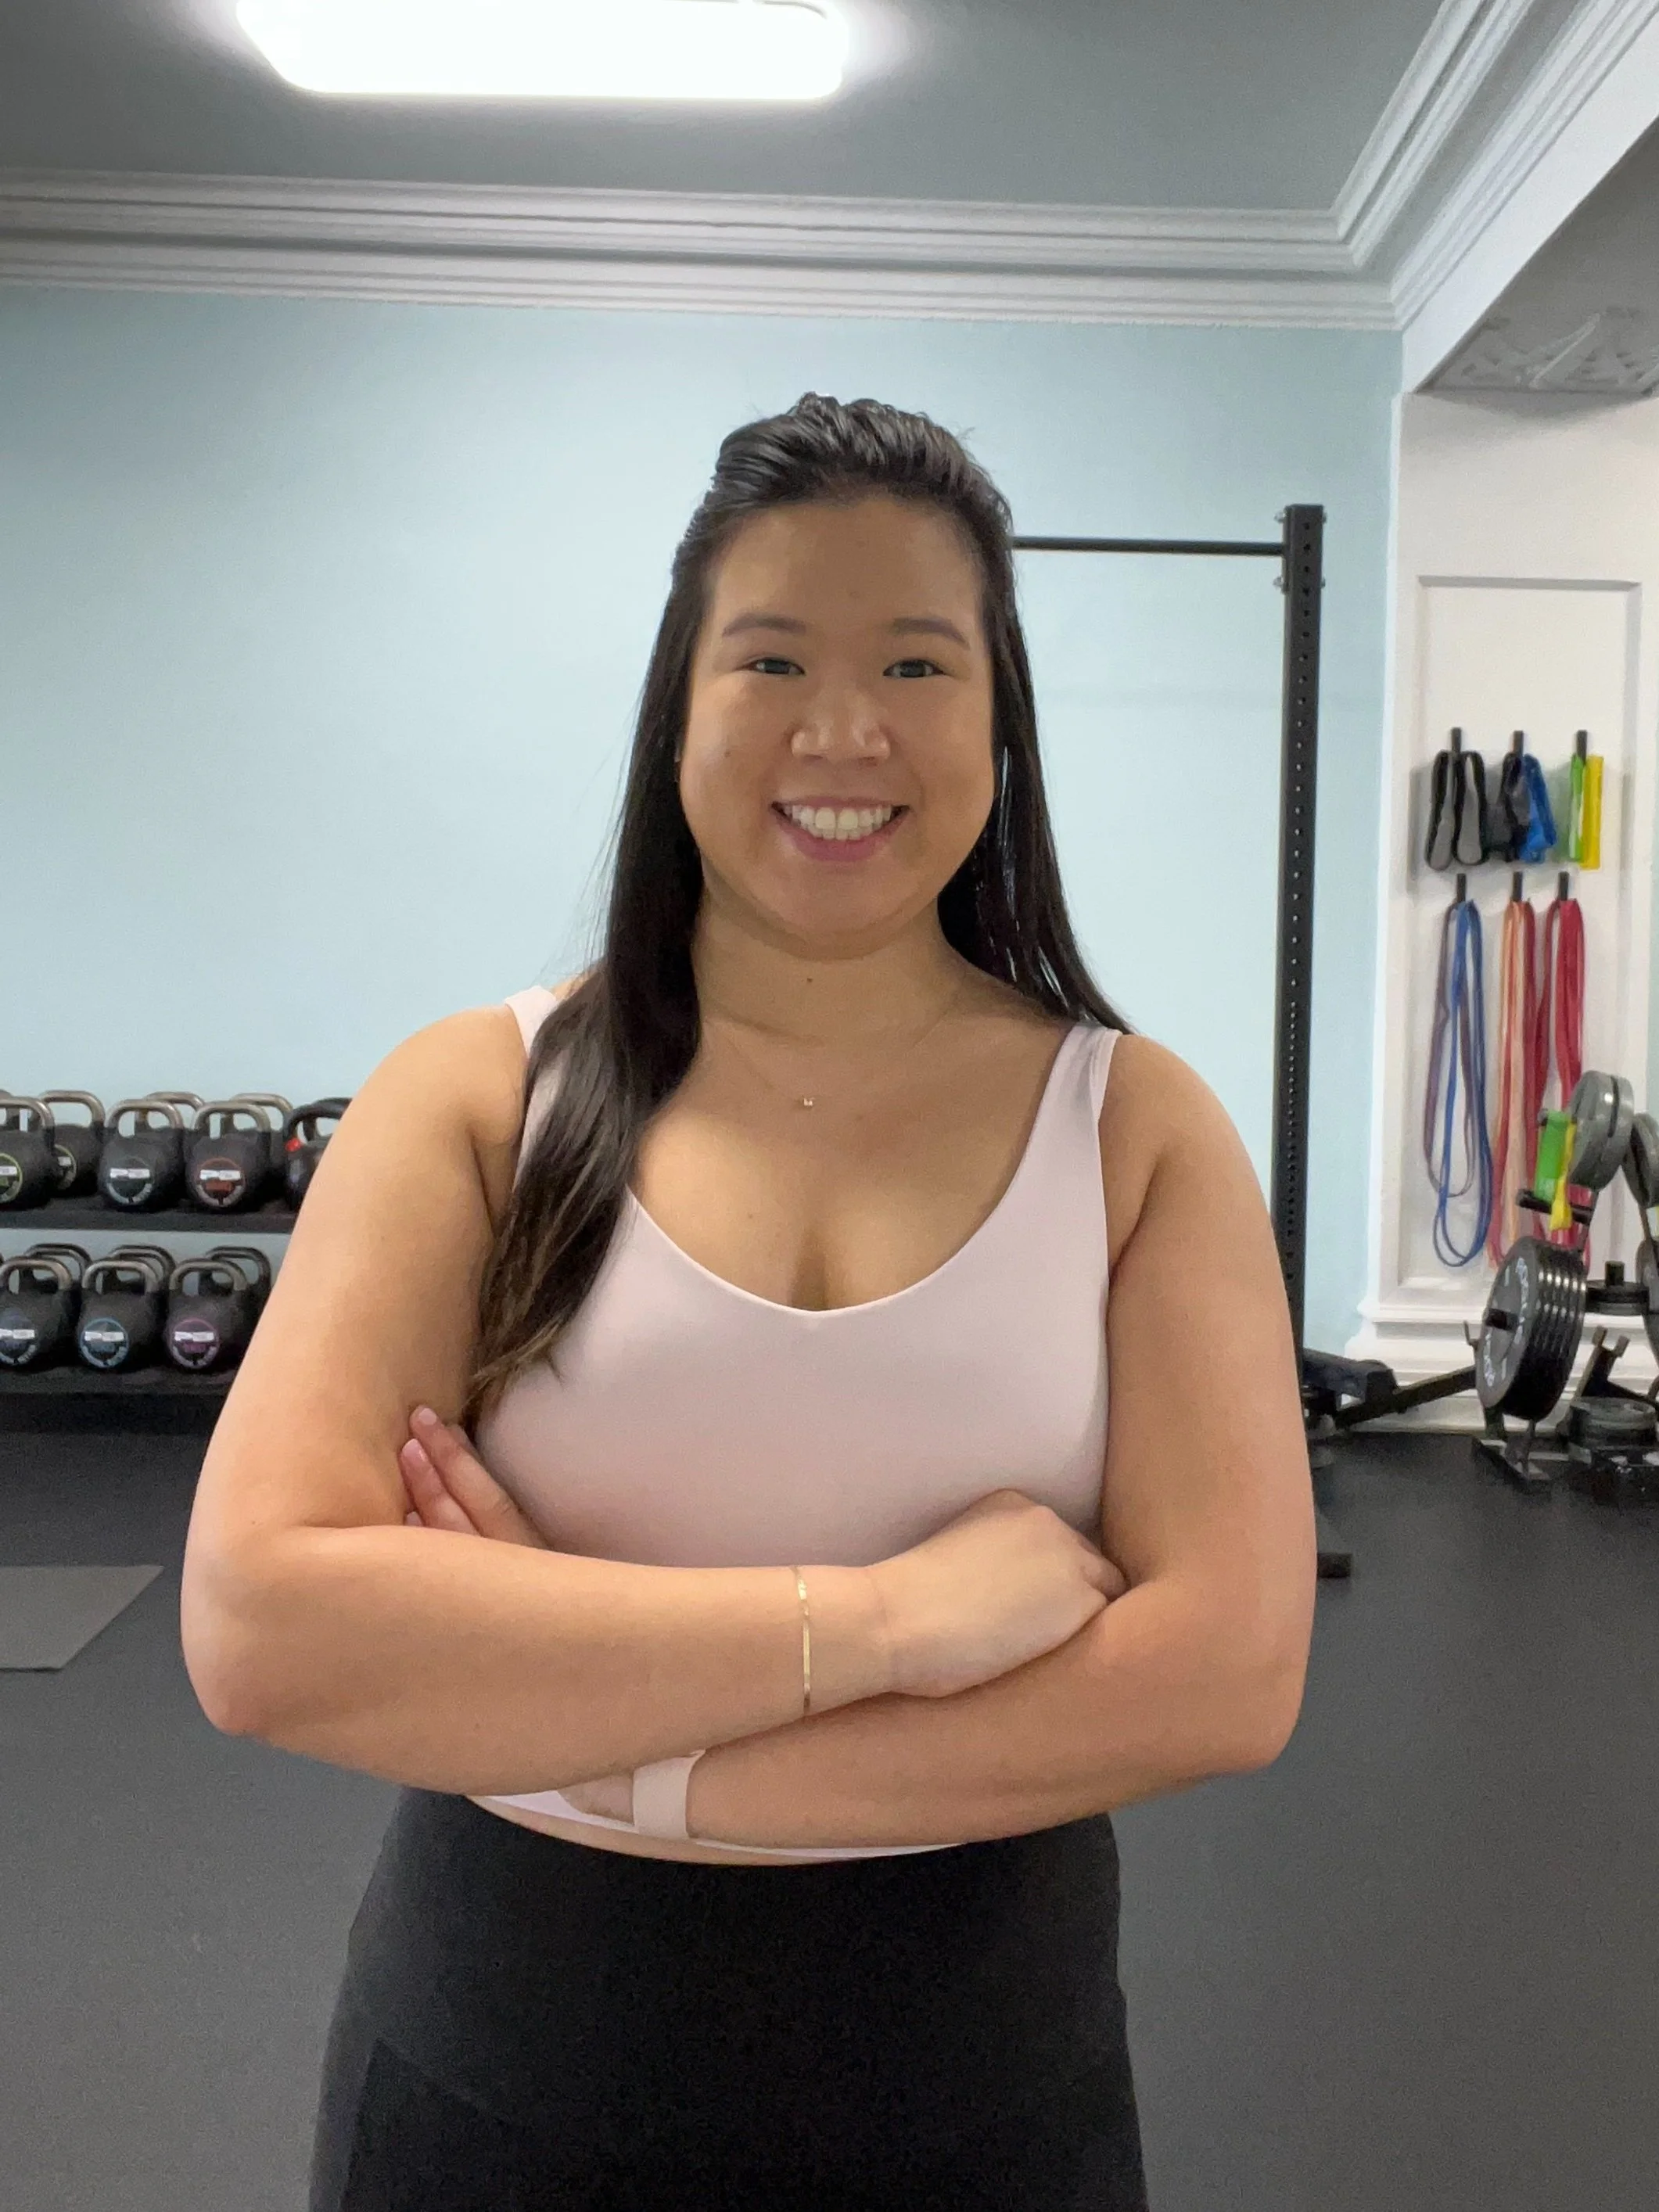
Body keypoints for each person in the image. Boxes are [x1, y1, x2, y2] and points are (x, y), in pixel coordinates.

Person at [180, 392, 1316, 2210]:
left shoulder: (1134, 1129)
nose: (843, 727)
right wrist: (883, 1620)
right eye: (771, 654)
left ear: (1000, 721)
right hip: (500, 2058)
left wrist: (574, 1721)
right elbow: (260, 1628)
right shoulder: (473, 1100)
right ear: (679, 706)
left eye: (919, 666)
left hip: (982, 2086)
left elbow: (1222, 1676)